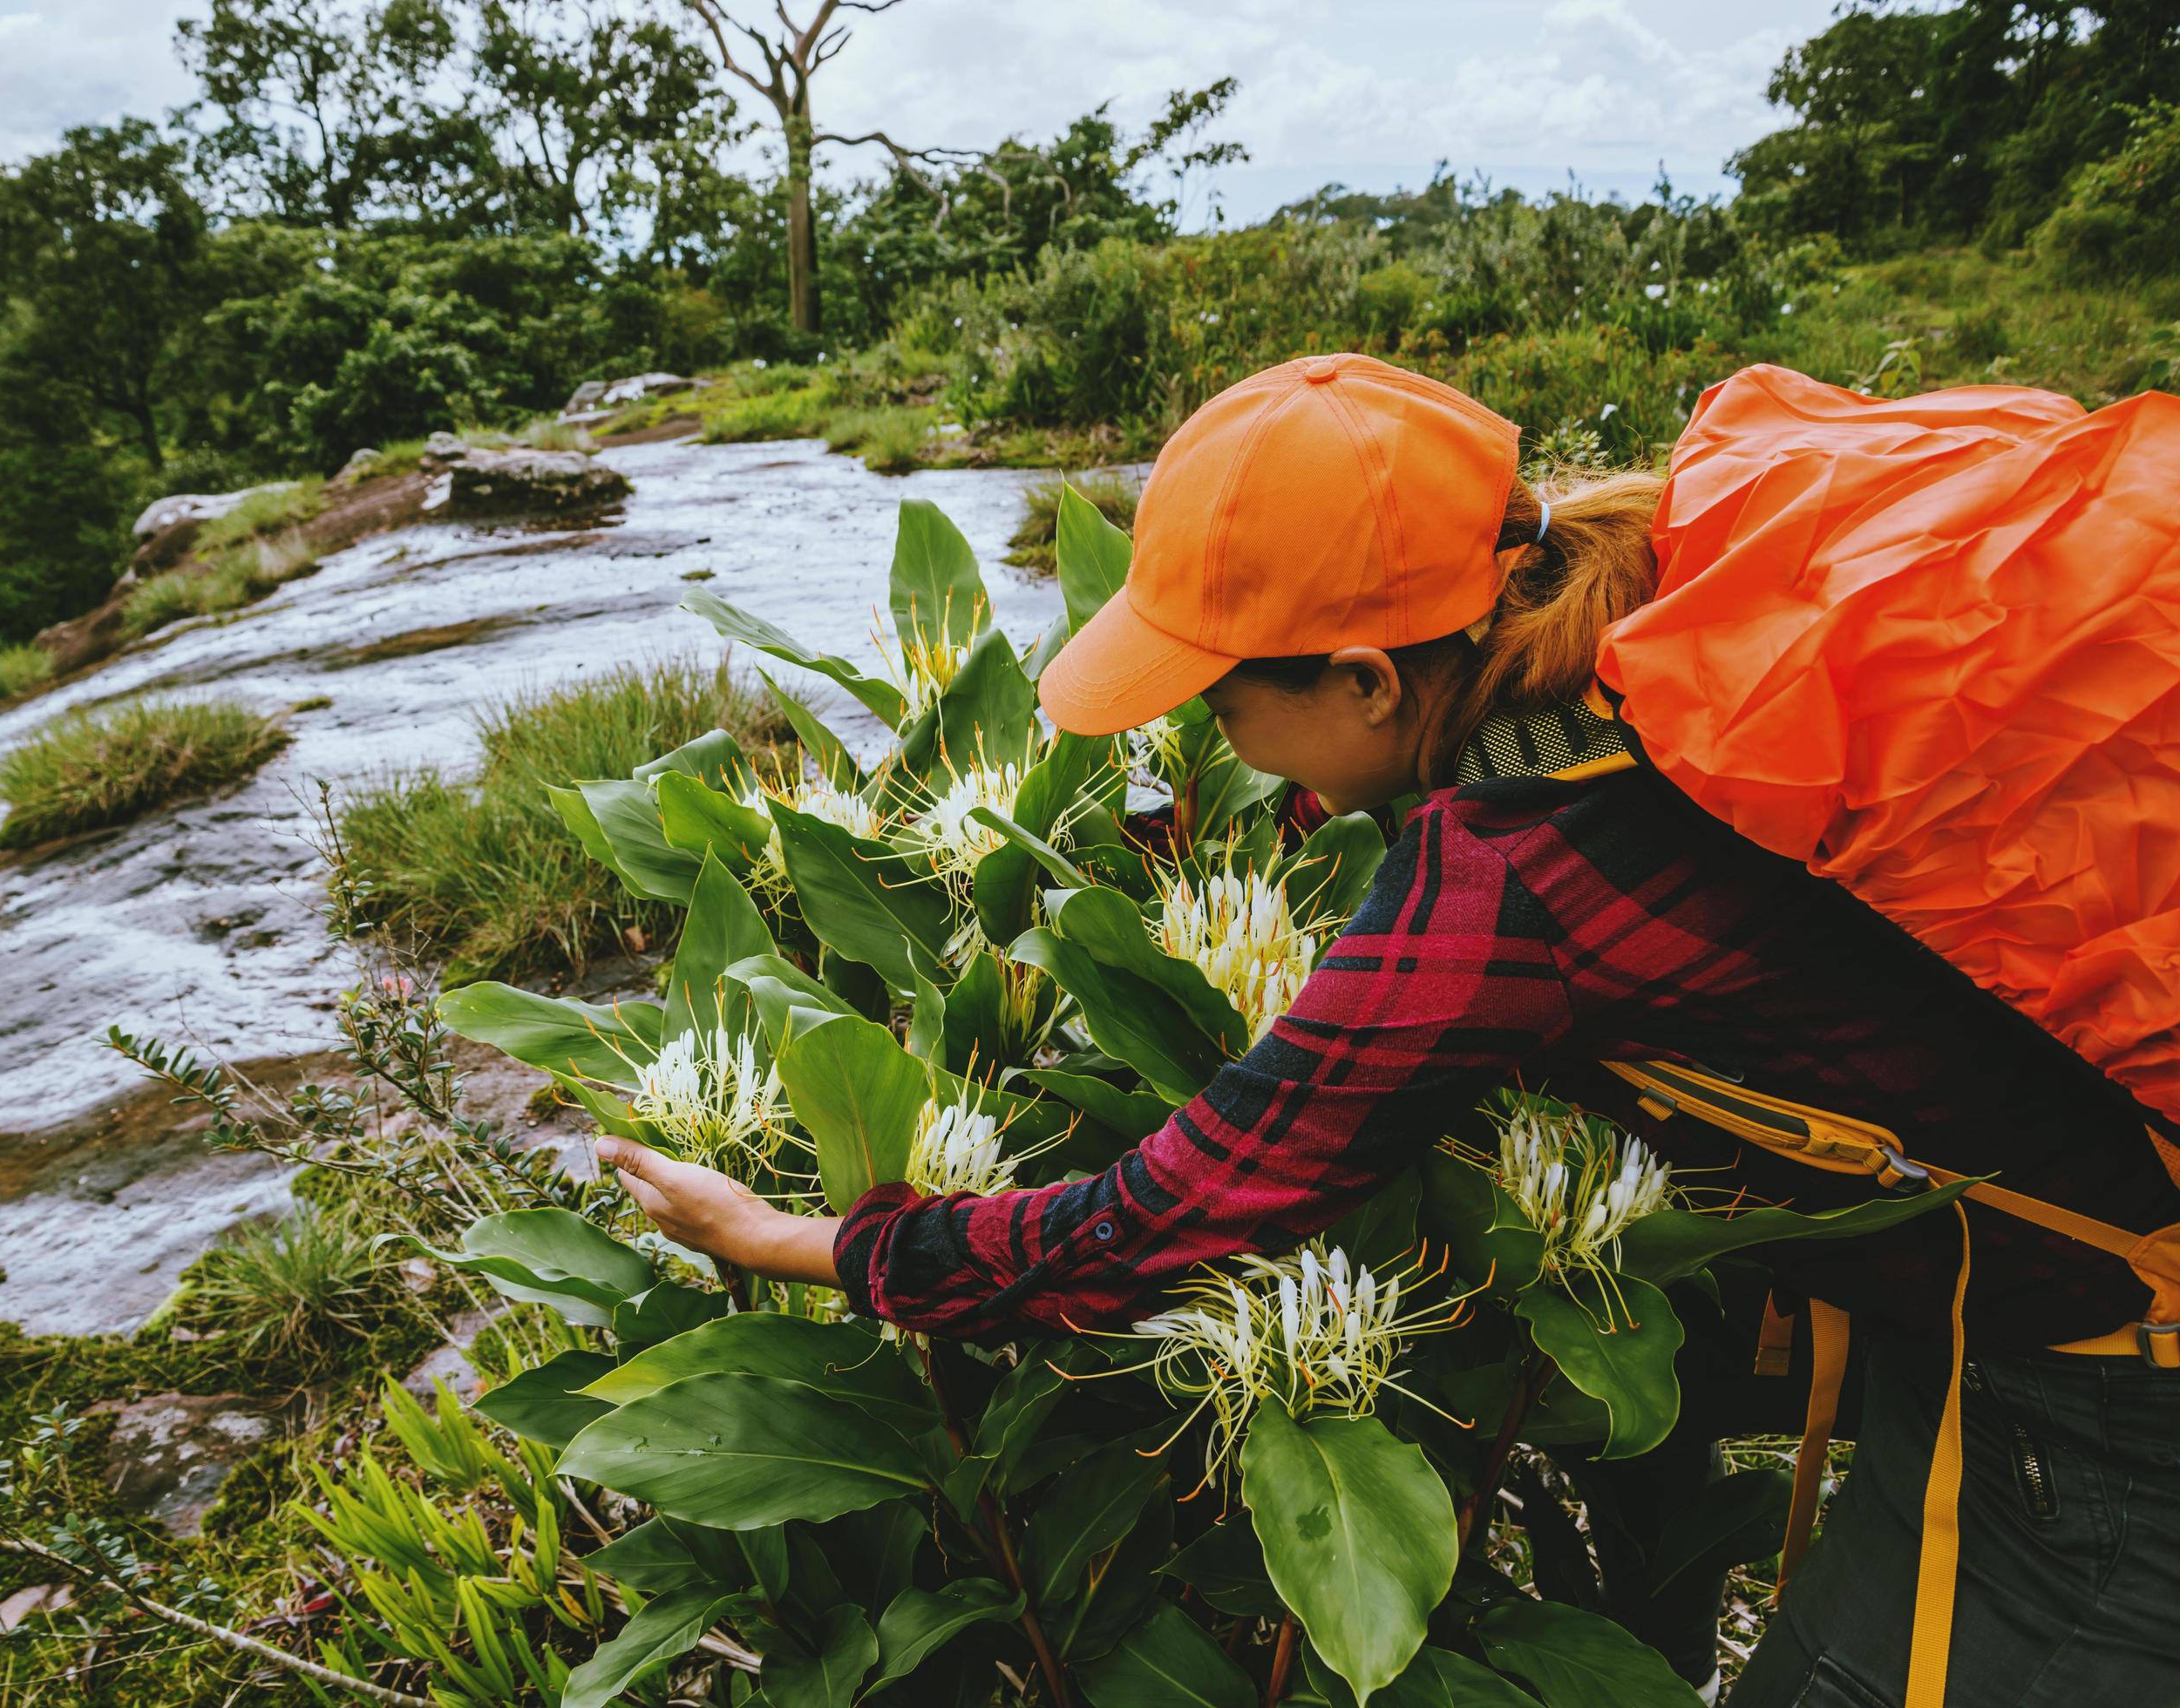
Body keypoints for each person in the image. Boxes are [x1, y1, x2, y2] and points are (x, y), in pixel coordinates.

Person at [592, 354, 2180, 1706]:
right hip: (2001, 1321)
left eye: (1219, 708)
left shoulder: (1505, 881)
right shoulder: (1656, 626)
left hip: (2100, 1403)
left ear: (1361, 676)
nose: (1218, 749)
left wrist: (801, 1240)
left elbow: (1174, 1212)